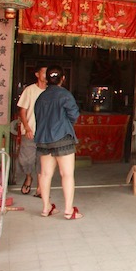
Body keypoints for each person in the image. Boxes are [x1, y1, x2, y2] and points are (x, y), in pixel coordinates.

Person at [34, 65, 82, 219]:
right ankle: (68, 210)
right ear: (63, 79)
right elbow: (74, 115)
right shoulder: (65, 95)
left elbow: (38, 117)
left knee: (45, 174)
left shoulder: (41, 97)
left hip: (43, 139)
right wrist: (64, 125)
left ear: (47, 79)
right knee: (67, 174)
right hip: (63, 138)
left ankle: (46, 207)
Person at [16, 65, 47, 197]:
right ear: (37, 74)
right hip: (30, 131)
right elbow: (22, 111)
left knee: (43, 161)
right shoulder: (29, 90)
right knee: (26, 160)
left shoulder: (51, 91)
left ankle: (40, 187)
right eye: (43, 72)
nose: (46, 75)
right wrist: (27, 127)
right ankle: (29, 177)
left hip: (45, 134)